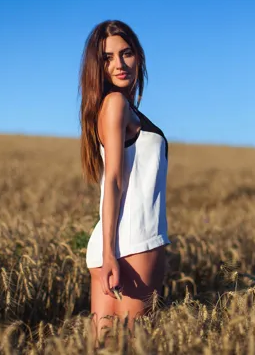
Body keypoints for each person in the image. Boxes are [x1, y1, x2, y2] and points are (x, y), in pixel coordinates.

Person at [78, 19, 171, 344]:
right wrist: (110, 255)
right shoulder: (116, 104)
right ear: (97, 66)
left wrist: (106, 252)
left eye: (126, 53)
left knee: (101, 347)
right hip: (134, 244)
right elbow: (114, 179)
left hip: (114, 245)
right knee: (134, 346)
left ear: (138, 57)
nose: (119, 63)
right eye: (107, 57)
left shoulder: (115, 107)